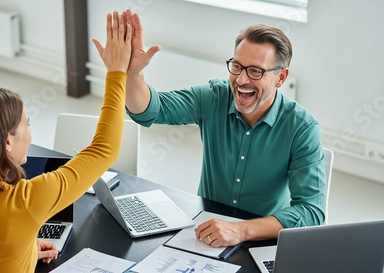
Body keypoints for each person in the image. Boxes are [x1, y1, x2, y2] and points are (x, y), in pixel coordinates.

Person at [0, 11, 131, 272]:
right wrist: (117, 73)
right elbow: (103, 150)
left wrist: (23, 249)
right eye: (27, 125)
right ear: (7, 142)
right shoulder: (26, 202)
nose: (30, 134)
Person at [123, 10, 326, 247]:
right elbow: (150, 110)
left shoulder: (302, 128)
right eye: (237, 66)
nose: (241, 80)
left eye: (255, 71)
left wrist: (241, 231)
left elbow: (311, 212)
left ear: (281, 78)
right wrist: (132, 74)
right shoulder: (214, 97)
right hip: (206, 232)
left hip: (262, 238)